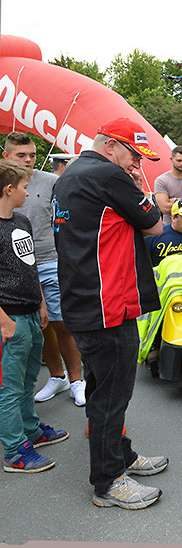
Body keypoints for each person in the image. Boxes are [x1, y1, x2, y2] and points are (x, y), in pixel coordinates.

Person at [52, 117, 168, 509]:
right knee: (111, 396)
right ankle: (108, 481)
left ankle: (122, 456)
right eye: (134, 154)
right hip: (108, 305)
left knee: (102, 389)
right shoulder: (108, 174)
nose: (137, 163)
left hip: (84, 301)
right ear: (110, 146)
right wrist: (138, 187)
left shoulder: (68, 175)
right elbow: (154, 225)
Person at [3, 133, 85, 406]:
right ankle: (57, 376)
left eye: (33, 155)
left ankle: (77, 380)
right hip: (15, 268)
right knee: (41, 326)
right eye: (21, 155)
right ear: (6, 156)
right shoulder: (3, 184)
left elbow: (66, 220)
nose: (28, 160)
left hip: (50, 261)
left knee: (62, 323)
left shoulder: (51, 181)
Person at [0, 160, 68, 473]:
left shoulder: (21, 221)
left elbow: (31, 266)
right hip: (10, 318)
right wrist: (4, 321)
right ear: (8, 190)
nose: (28, 193)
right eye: (24, 187)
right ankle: (15, 451)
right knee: (10, 389)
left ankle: (31, 430)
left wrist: (40, 302)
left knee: (28, 379)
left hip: (30, 313)